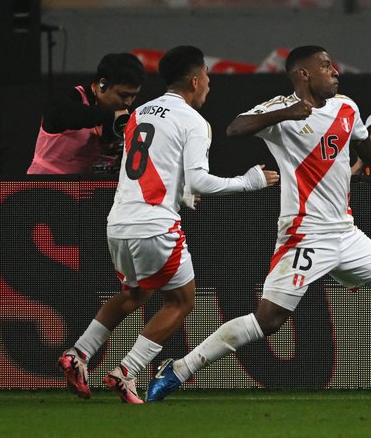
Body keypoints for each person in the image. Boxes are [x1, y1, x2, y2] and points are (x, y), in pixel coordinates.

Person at [146, 45, 371, 402]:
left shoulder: (346, 107)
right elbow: (235, 129)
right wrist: (285, 113)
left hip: (344, 232)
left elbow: (362, 140)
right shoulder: (282, 110)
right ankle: (178, 371)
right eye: (325, 66)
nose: (334, 72)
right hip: (304, 235)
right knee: (269, 321)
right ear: (303, 74)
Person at [57, 45, 280, 403]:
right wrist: (250, 181)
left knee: (134, 294)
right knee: (181, 300)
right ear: (195, 79)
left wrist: (181, 195)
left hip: (119, 222)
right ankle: (126, 371)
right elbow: (200, 182)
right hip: (156, 226)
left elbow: (153, 170)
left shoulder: (140, 112)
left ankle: (78, 354)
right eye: (207, 74)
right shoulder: (193, 121)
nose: (209, 82)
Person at [28, 52, 145, 175]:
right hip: (46, 184)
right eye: (123, 95)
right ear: (103, 84)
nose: (128, 102)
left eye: (134, 96)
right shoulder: (66, 99)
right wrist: (110, 116)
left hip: (84, 187)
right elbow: (69, 114)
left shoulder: (120, 111)